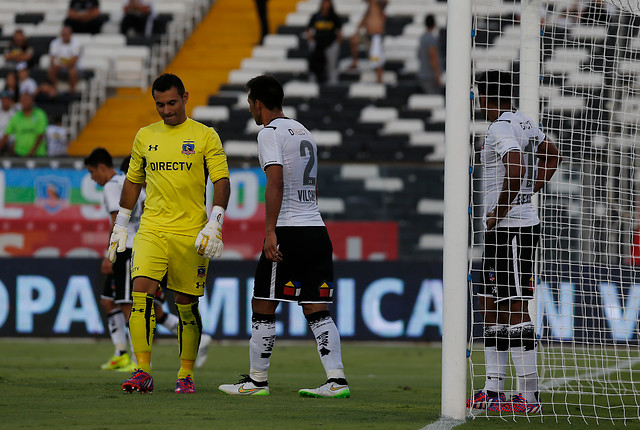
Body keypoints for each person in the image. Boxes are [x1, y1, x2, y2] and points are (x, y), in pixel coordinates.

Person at [218, 75, 349, 399]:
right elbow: (313, 187)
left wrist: (269, 231)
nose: (251, 108)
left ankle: (257, 381)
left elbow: (274, 182)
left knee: (263, 301)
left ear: (257, 103)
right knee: (316, 308)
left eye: (250, 103)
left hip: (289, 230)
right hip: (316, 229)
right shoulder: (303, 131)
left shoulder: (269, 133)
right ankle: (336, 380)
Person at [109, 73, 230, 394]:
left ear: (185, 98)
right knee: (140, 293)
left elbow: (221, 181)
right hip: (151, 229)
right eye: (160, 105)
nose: (166, 110)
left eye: (172, 103)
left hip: (192, 233)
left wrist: (215, 221)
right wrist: (121, 223)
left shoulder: (206, 136)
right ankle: (142, 370)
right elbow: (133, 181)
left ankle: (186, 374)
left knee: (186, 304)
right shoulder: (144, 136)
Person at [466, 70, 561, 413]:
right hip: (502, 228)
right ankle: (493, 388)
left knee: (516, 305)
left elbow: (518, 165)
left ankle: (530, 396)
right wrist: (526, 194)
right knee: (491, 304)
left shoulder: (500, 128)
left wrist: (503, 207)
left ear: (485, 96)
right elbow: (552, 155)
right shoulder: (524, 122)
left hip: (512, 229)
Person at [86, 149, 212, 372]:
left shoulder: (113, 185)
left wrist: (111, 250)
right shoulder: (142, 188)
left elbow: (118, 219)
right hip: (145, 246)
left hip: (130, 248)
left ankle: (141, 364)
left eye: (91, 172)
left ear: (102, 167)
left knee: (130, 306)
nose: (91, 178)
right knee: (117, 301)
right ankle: (122, 354)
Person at [348, 0, 387, 83]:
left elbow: (385, 3)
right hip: (367, 36)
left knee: (376, 60)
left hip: (376, 38)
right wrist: (357, 31)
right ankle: (355, 63)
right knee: (353, 39)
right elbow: (364, 20)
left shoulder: (377, 6)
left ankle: (379, 81)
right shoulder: (369, 8)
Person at [306, 0, 343, 84]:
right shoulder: (316, 16)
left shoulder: (334, 17)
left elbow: (339, 31)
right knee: (314, 65)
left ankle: (332, 85)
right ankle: (312, 84)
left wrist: (337, 43)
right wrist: (310, 40)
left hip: (330, 45)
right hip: (318, 45)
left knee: (331, 66)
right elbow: (309, 28)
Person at [0, 92, 48, 157]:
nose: (24, 102)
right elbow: (6, 135)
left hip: (37, 155)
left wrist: (31, 153)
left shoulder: (40, 115)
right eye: (22, 100)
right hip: (19, 154)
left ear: (32, 101)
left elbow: (40, 136)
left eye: (26, 100)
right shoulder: (16, 117)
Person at [48, 26, 81, 94]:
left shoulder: (76, 44)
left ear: (71, 34)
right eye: (63, 34)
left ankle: (72, 91)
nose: (65, 36)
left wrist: (62, 65)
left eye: (67, 34)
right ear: (61, 34)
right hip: (60, 65)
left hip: (72, 66)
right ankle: (55, 89)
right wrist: (58, 64)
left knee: (72, 72)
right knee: (51, 69)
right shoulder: (54, 43)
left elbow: (74, 61)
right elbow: (52, 58)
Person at [417, 14, 442, 94]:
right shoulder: (430, 39)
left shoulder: (422, 38)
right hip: (430, 76)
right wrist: (437, 75)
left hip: (424, 74)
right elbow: (433, 57)